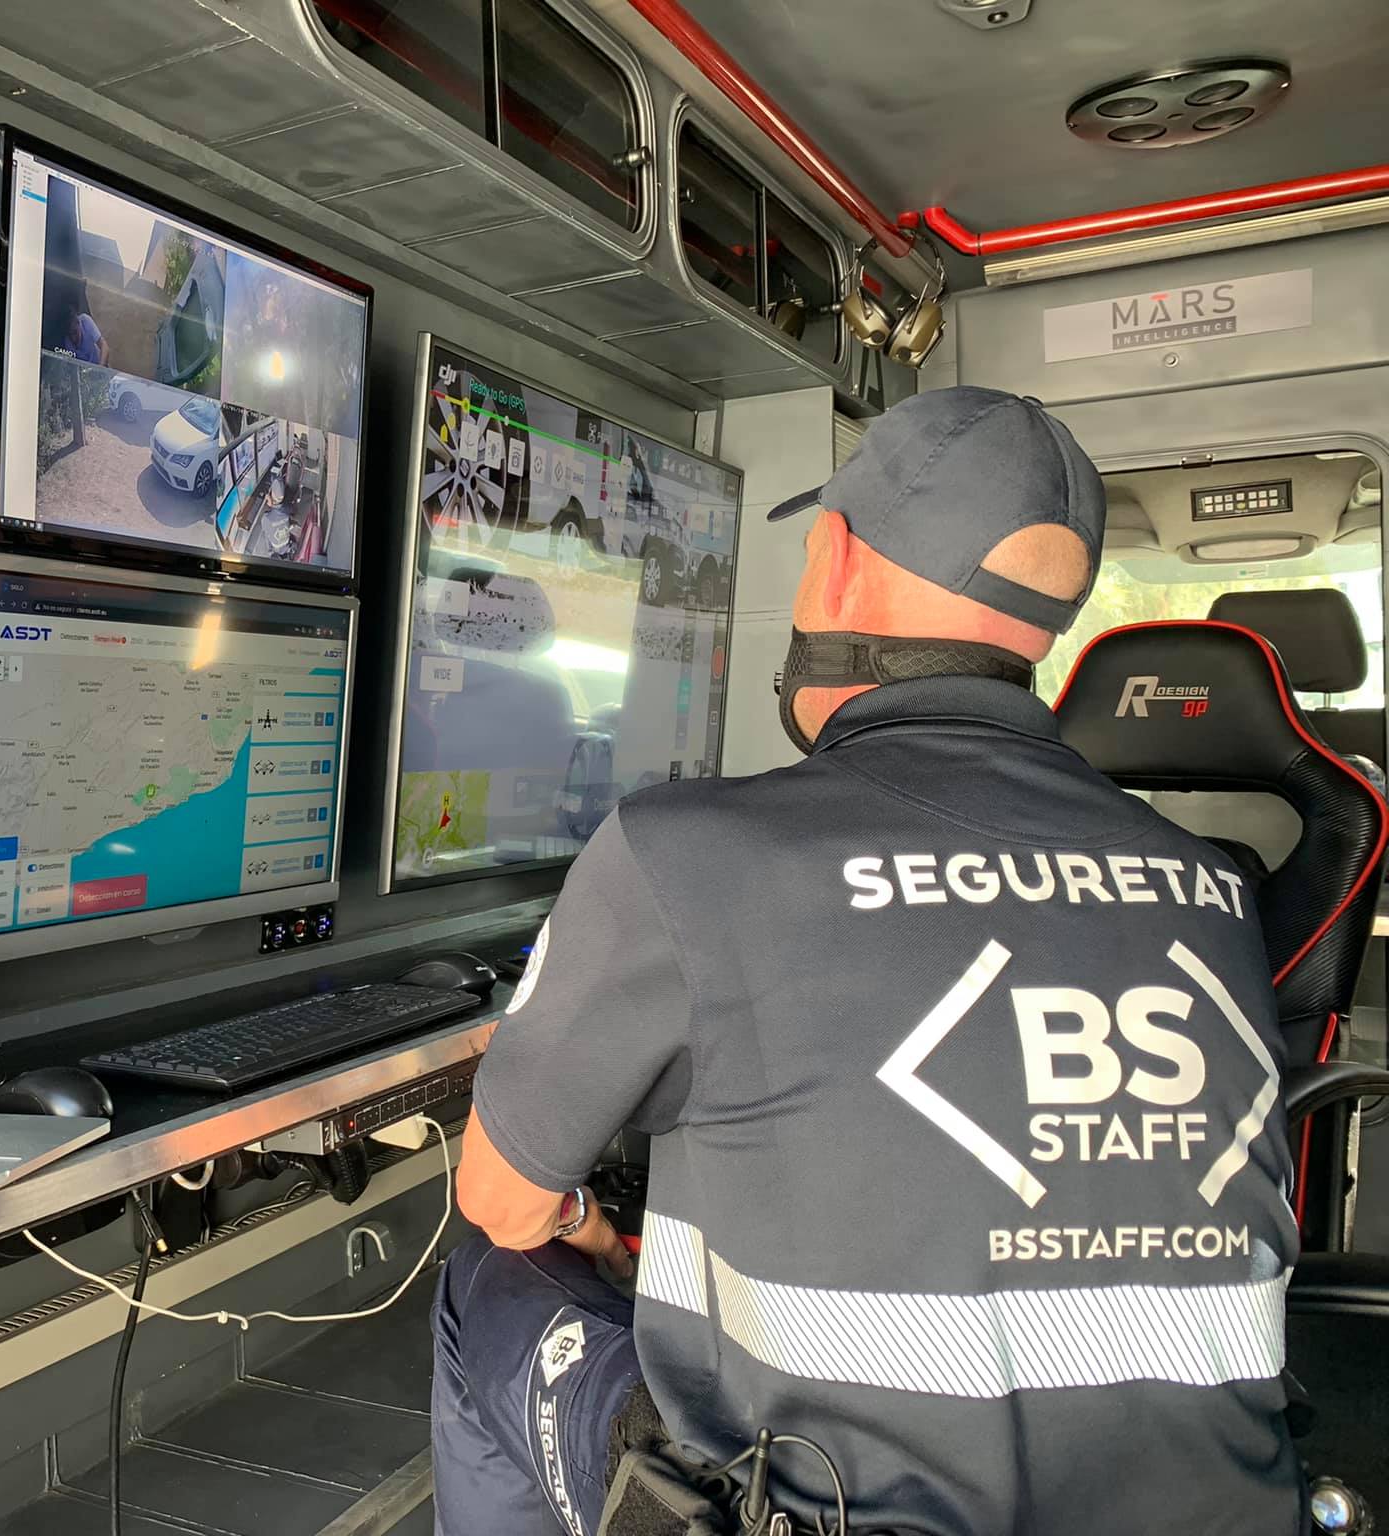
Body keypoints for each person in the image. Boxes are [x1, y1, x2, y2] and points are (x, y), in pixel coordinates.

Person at [432, 386, 1303, 1536]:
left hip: (826, 1518)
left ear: (833, 561)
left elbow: (499, 1199)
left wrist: (589, 1219)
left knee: (488, 1279)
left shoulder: (686, 850)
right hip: (1214, 1516)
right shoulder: (1211, 884)